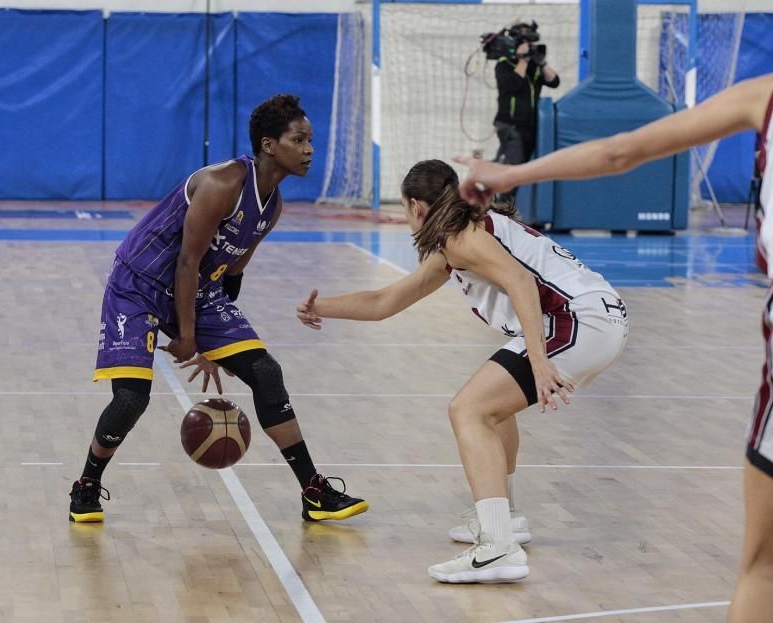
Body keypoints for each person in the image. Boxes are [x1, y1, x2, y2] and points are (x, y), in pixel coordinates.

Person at [454, 73, 773, 620]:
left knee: (763, 568)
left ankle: (500, 534)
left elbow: (622, 151)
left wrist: (511, 173)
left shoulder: (762, 94)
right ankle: (501, 523)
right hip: (597, 317)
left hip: (588, 321)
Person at [296, 159, 628, 583]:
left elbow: (522, 283)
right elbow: (386, 302)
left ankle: (497, 547)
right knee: (491, 409)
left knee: (468, 410)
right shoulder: (460, 239)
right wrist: (319, 308)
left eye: (403, 209)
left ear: (417, 207)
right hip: (593, 317)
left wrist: (540, 362)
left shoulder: (461, 239)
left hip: (577, 321)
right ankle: (504, 519)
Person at [70, 94, 368, 525]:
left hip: (199, 287)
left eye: (310, 141)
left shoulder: (272, 206)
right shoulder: (222, 184)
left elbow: (230, 275)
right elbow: (187, 261)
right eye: (299, 139)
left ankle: (313, 492)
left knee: (265, 372)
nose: (309, 150)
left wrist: (214, 342)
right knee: (132, 397)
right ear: (269, 145)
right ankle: (87, 485)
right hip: (139, 285)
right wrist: (190, 337)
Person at [493, 21, 559, 197]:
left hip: (529, 125)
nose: (527, 46)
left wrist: (542, 63)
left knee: (516, 168)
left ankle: (496, 202)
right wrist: (522, 60)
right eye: (523, 42)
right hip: (510, 124)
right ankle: (501, 213)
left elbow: (554, 81)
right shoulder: (503, 64)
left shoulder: (534, 66)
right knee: (513, 171)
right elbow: (514, 84)